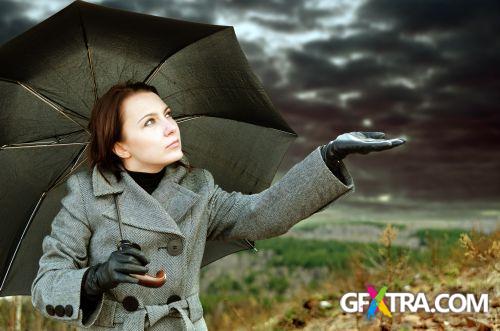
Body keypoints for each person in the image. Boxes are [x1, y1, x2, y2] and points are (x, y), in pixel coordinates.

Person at [30, 80, 406, 330]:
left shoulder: (197, 188)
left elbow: (262, 215)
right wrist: (96, 278)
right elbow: (46, 284)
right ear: (120, 146)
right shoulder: (85, 198)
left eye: (168, 114)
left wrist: (329, 155)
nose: (169, 127)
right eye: (149, 122)